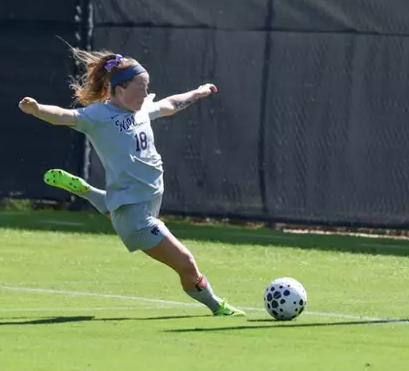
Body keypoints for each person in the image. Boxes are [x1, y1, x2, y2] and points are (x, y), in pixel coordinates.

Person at [20, 49, 243, 317]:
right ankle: (217, 306)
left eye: (146, 87)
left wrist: (198, 92)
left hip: (140, 202)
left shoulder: (141, 109)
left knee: (120, 208)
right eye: (140, 88)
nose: (144, 93)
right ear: (119, 88)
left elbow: (171, 104)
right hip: (136, 219)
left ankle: (89, 192)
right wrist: (36, 109)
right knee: (185, 263)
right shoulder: (98, 116)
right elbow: (63, 116)